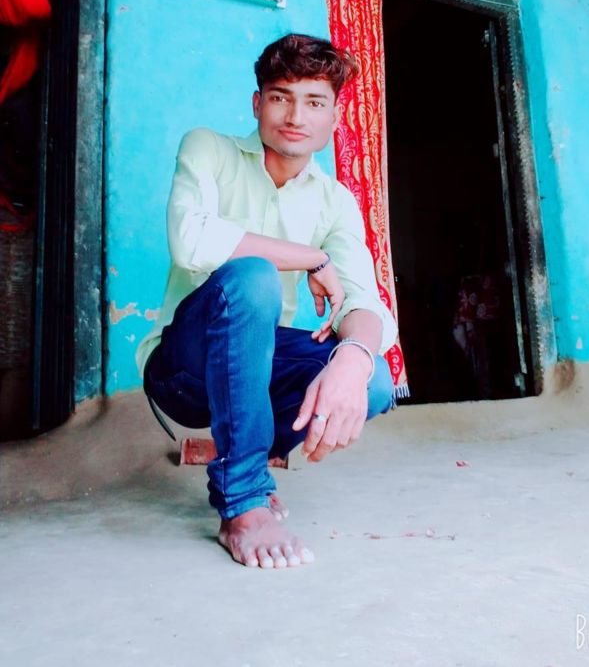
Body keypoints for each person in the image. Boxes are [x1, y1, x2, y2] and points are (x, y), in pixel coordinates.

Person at [136, 34, 398, 569]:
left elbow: (364, 300)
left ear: (335, 117)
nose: (296, 116)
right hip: (183, 371)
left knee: (372, 377)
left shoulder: (334, 201)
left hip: (259, 365)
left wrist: (353, 358)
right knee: (253, 277)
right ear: (258, 104)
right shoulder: (209, 149)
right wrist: (309, 258)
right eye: (281, 97)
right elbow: (191, 239)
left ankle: (249, 454)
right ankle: (244, 503)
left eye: (315, 102)